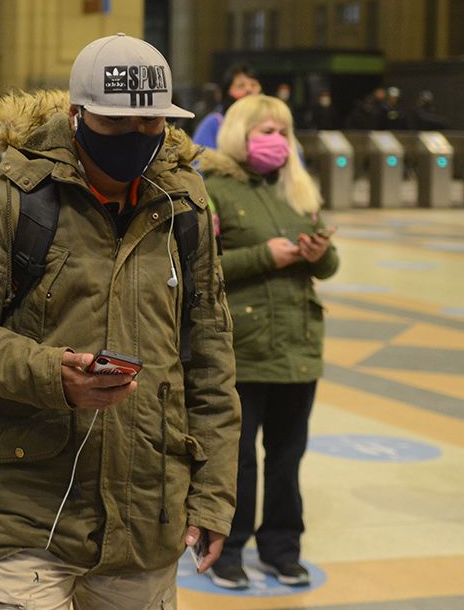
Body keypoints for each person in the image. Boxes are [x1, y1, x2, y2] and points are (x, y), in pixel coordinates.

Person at [0, 33, 240, 609]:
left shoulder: (183, 210)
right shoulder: (7, 200)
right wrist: (52, 374)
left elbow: (211, 357)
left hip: (148, 512)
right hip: (29, 508)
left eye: (151, 125)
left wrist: (214, 495)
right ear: (77, 115)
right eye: (117, 124)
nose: (137, 138)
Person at [195, 94, 339, 590]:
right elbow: (201, 268)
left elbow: (330, 263)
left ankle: (282, 548)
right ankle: (227, 549)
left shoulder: (297, 189)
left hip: (297, 348)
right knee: (236, 460)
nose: (276, 141)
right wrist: (264, 256)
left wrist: (318, 253)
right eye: (265, 131)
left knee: (286, 458)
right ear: (239, 134)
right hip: (243, 348)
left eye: (282, 131)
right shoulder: (212, 189)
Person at [192, 62, 261, 148]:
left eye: (254, 85)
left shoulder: (270, 121)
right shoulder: (214, 123)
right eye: (241, 86)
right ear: (226, 92)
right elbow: (200, 159)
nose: (249, 89)